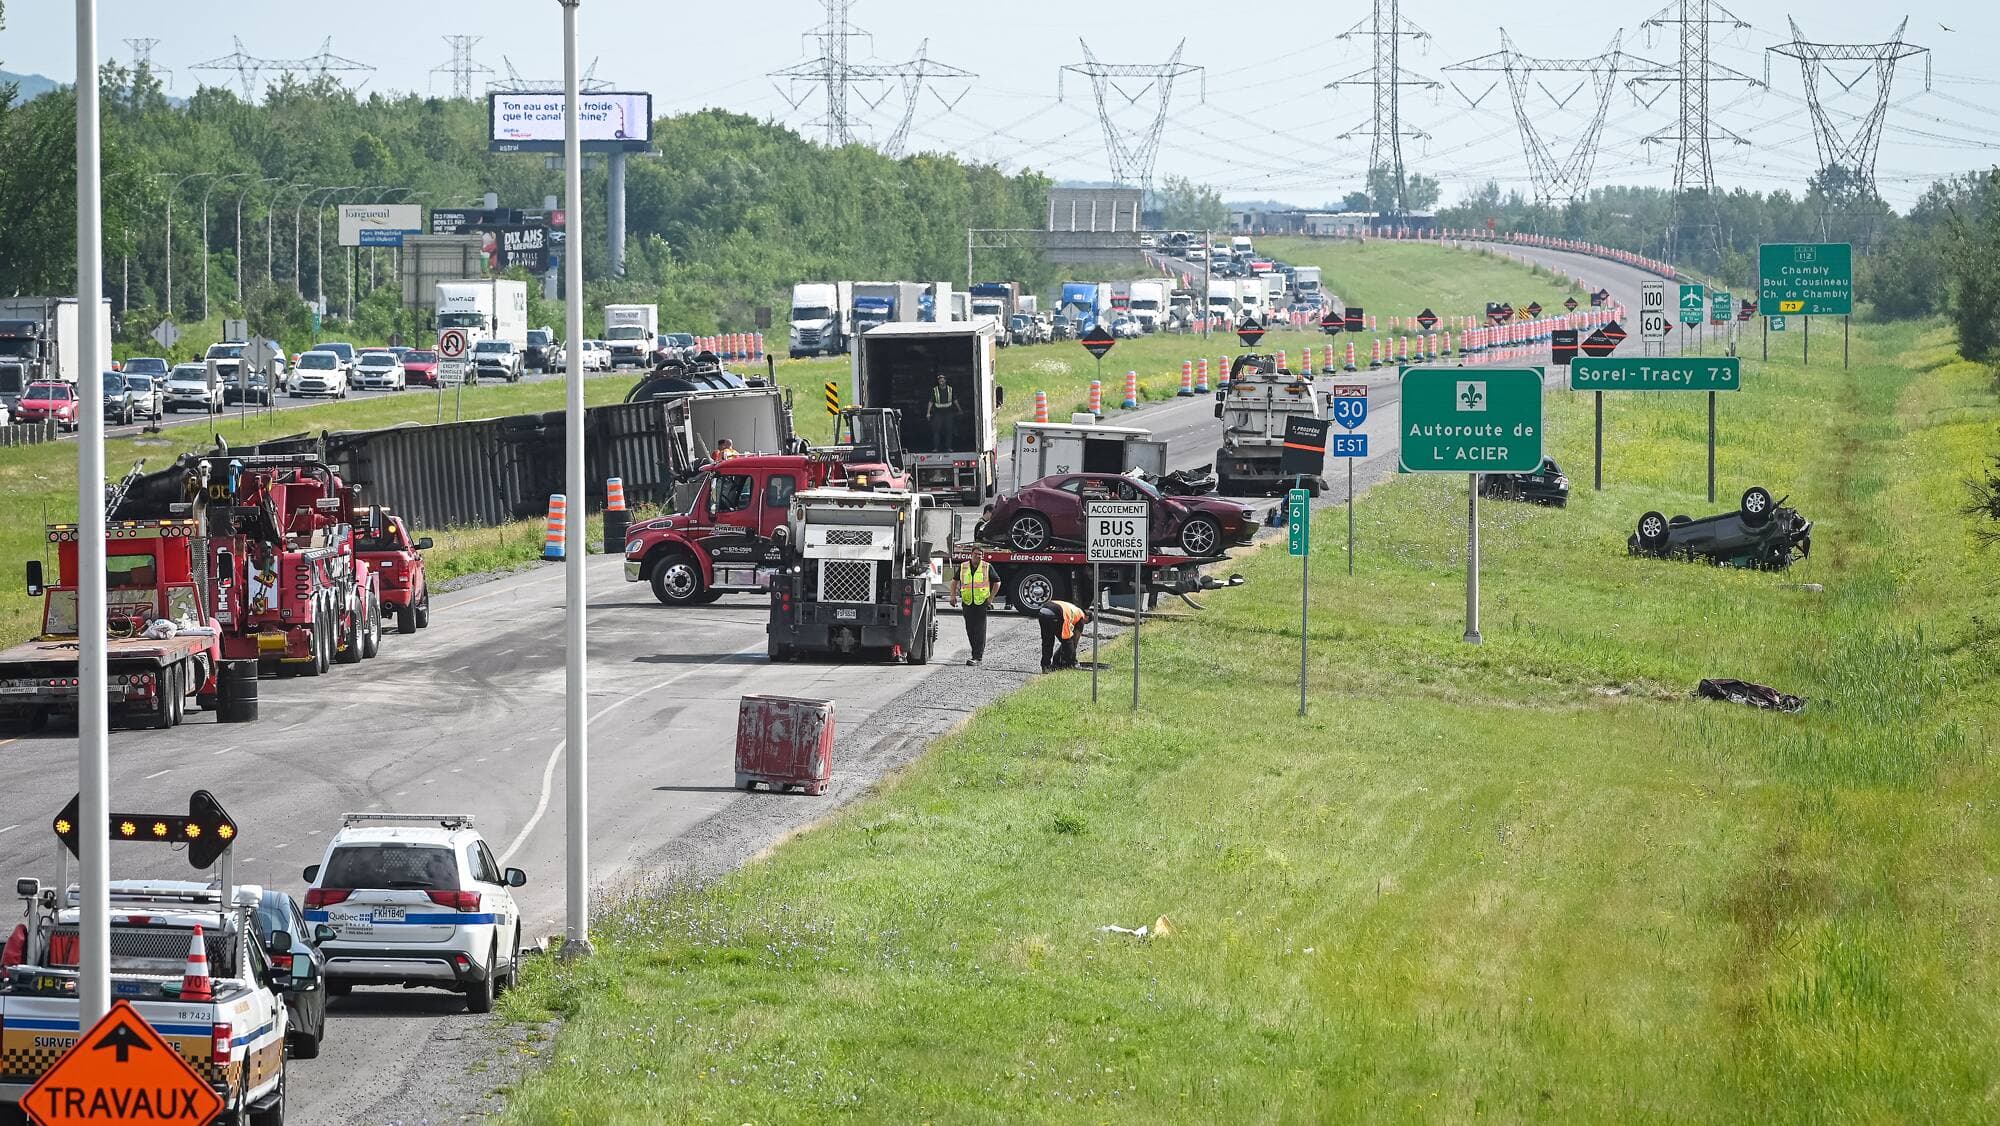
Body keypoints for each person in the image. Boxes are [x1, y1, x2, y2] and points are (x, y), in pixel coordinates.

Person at [951, 544, 994, 666]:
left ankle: (977, 657)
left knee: (979, 630)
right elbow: (954, 581)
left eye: (980, 555)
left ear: (983, 556)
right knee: (970, 629)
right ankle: (975, 654)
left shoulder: (986, 567)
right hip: (968, 602)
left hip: (981, 603)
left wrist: (990, 599)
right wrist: (952, 596)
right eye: (975, 554)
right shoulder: (964, 566)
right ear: (971, 555)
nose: (977, 557)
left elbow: (997, 582)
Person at [1038, 599, 1090, 672]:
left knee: (1047, 641)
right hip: (1057, 612)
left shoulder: (1074, 608)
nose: (1083, 624)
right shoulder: (1081, 616)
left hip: (1043, 611)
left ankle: (1045, 666)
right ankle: (1071, 664)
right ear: (1087, 617)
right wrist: (1073, 658)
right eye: (1086, 623)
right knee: (1068, 641)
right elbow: (1075, 640)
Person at [927, 372, 958, 451]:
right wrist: (928, 412)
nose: (941, 382)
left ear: (945, 381)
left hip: (948, 412)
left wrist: (959, 409)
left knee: (949, 430)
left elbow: (955, 400)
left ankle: (948, 447)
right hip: (938, 413)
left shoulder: (950, 389)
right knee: (936, 430)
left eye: (942, 380)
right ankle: (936, 447)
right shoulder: (935, 390)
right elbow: (931, 402)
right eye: (940, 380)